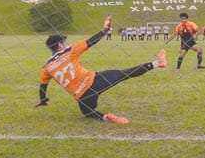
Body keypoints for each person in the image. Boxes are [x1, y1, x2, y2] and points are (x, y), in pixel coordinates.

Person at [37, 16, 167, 123]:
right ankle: (157, 63)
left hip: (82, 97)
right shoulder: (70, 50)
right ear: (60, 44)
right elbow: (91, 41)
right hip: (94, 82)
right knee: (125, 73)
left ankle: (105, 117)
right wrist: (105, 30)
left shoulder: (47, 66)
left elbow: (43, 86)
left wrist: (43, 100)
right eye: (63, 42)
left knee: (88, 113)